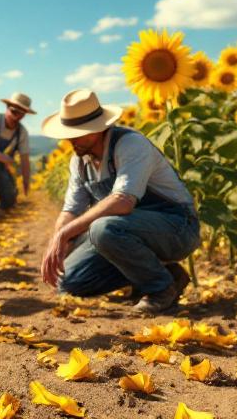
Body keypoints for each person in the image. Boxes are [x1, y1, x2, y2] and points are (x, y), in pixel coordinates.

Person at [38, 89, 200, 315]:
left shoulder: (129, 144)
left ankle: (161, 289)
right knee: (70, 282)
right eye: (69, 133)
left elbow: (123, 201)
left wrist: (67, 233)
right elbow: (71, 210)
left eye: (78, 132)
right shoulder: (80, 162)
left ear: (99, 128)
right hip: (128, 230)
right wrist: (60, 240)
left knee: (103, 228)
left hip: (177, 227)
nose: (71, 139)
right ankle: (169, 274)